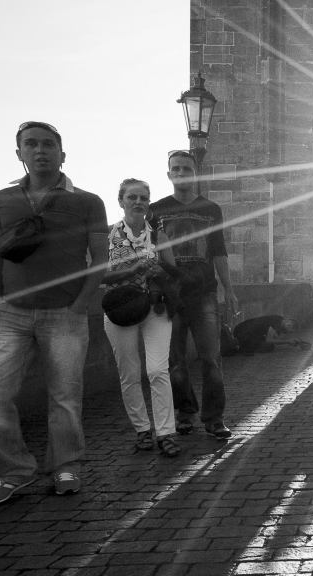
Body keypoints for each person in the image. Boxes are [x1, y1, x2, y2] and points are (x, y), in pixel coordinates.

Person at [0, 121, 108, 507]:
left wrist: (80, 303)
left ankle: (66, 465)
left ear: (62, 155)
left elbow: (99, 259)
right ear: (19, 154)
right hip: (8, 315)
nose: (40, 150)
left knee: (65, 396)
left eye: (48, 144)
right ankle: (12, 472)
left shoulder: (88, 201)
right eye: (30, 144)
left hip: (64, 313)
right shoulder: (3, 198)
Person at [149, 150, 238, 440]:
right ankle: (185, 413)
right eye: (176, 168)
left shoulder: (211, 209)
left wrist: (229, 289)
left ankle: (214, 418)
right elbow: (152, 254)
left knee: (211, 359)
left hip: (204, 293)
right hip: (172, 294)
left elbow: (219, 251)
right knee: (175, 362)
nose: (181, 172)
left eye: (187, 168)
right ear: (169, 174)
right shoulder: (157, 209)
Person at [102, 179, 180, 457]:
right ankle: (142, 430)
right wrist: (131, 270)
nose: (138, 202)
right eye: (132, 197)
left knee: (157, 370)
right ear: (120, 200)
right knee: (130, 375)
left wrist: (159, 272)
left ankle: (166, 432)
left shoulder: (158, 236)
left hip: (155, 307)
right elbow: (97, 275)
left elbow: (174, 271)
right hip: (121, 308)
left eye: (144, 198)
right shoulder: (107, 235)